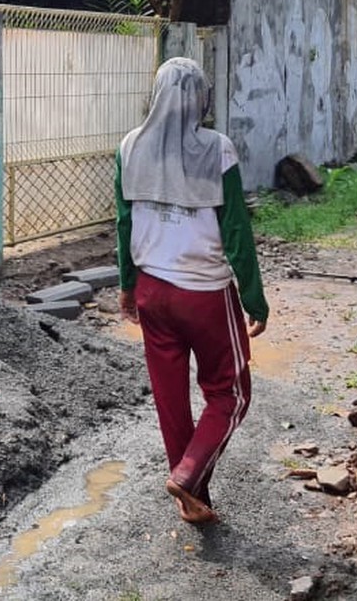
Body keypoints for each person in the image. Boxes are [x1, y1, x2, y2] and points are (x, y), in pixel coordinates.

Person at [115, 57, 268, 526]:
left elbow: (123, 223)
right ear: (201, 98)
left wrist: (126, 285)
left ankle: (190, 492)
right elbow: (236, 228)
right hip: (203, 292)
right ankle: (187, 477)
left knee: (170, 397)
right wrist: (253, 299)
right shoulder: (217, 150)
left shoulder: (129, 147)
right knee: (232, 393)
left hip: (152, 292)